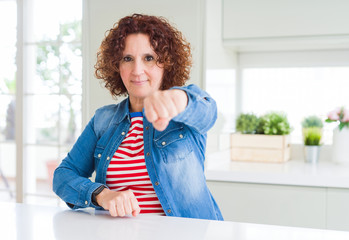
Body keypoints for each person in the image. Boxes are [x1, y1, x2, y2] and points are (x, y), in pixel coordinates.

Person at [53, 13, 223, 221]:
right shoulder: (103, 120)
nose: (137, 70)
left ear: (166, 63)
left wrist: (179, 99)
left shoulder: (183, 111)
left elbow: (208, 111)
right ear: (117, 66)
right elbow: (63, 175)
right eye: (127, 59)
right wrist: (102, 195)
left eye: (148, 58)